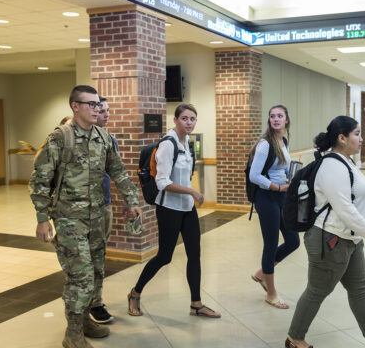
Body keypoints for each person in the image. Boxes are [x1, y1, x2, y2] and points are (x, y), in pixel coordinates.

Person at [29, 85, 141, 348]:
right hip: (69, 220)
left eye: (98, 104)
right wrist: (42, 218)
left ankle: (87, 320)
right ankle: (73, 332)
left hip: (97, 216)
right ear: (75, 106)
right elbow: (40, 180)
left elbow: (118, 171)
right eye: (90, 104)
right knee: (80, 277)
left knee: (97, 272)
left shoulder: (102, 137)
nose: (97, 109)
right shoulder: (60, 139)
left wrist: (132, 200)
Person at [285, 116, 365, 348]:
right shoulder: (332, 166)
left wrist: (363, 236)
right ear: (341, 138)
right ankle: (294, 338)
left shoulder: (347, 161)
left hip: (350, 239)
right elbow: (345, 210)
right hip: (330, 238)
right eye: (357, 134)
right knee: (317, 290)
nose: (362, 138)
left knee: (358, 289)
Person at [128, 103, 221, 319]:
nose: (189, 122)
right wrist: (191, 191)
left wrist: (189, 195)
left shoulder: (187, 142)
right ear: (176, 120)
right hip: (169, 208)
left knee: (194, 255)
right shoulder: (168, 144)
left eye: (192, 119)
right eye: (185, 118)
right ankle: (135, 293)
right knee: (164, 256)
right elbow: (162, 182)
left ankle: (196, 304)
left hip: (187, 209)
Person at [249, 104, 300, 309]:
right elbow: (254, 175)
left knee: (293, 241)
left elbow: (280, 168)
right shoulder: (265, 144)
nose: (276, 119)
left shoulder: (283, 141)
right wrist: (277, 187)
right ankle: (271, 293)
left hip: (281, 195)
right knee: (270, 244)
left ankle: (261, 273)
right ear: (269, 120)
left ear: (286, 119)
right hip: (267, 197)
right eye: (272, 116)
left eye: (280, 116)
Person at [88, 96, 118, 324]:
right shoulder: (67, 137)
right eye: (102, 110)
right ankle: (87, 302)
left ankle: (95, 302)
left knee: (99, 255)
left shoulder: (109, 139)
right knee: (83, 259)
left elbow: (116, 171)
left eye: (108, 110)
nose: (106, 114)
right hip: (77, 211)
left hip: (104, 205)